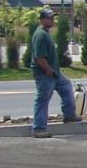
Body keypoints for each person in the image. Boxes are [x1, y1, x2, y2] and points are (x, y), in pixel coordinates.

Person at [30, 7, 81, 138]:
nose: (52, 20)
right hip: (45, 73)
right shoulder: (40, 35)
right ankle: (39, 129)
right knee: (43, 99)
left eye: (52, 18)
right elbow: (39, 57)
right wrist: (47, 69)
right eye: (49, 18)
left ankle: (69, 116)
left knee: (66, 88)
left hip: (55, 73)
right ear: (42, 20)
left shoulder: (46, 33)